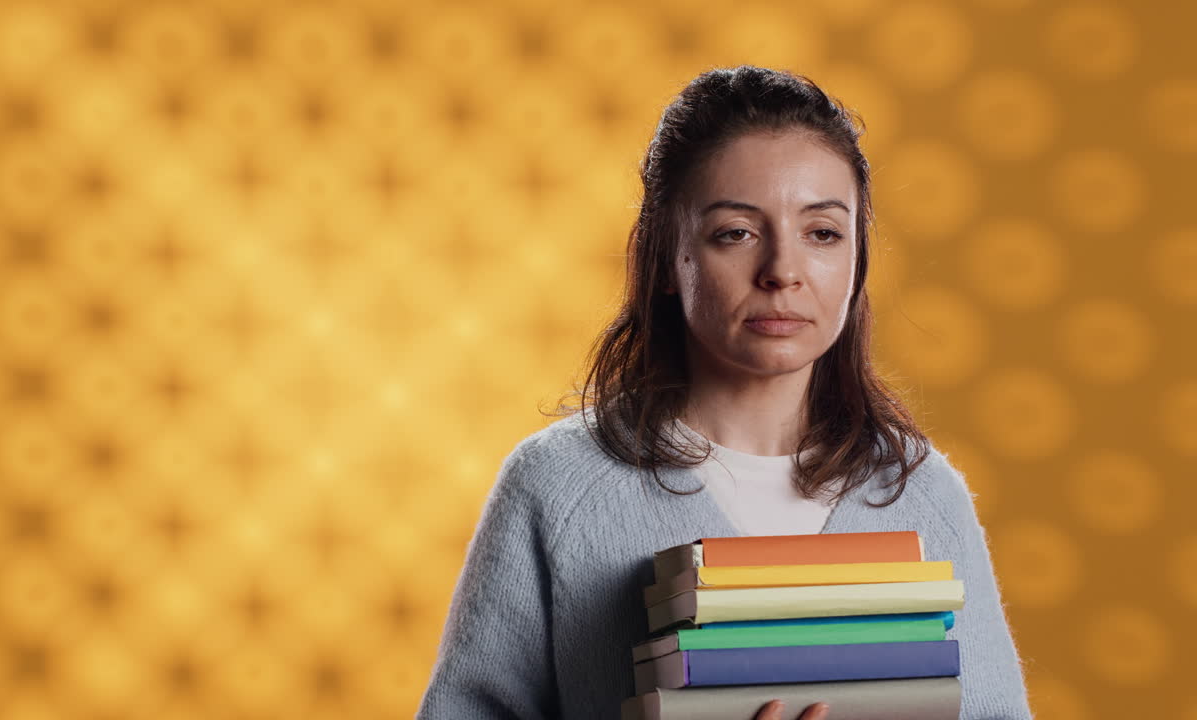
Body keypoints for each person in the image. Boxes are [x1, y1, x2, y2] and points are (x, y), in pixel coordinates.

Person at [417, 65, 1032, 720]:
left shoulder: (923, 495)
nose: (783, 271)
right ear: (665, 256)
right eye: (736, 232)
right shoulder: (557, 487)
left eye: (823, 233)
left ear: (857, 259)